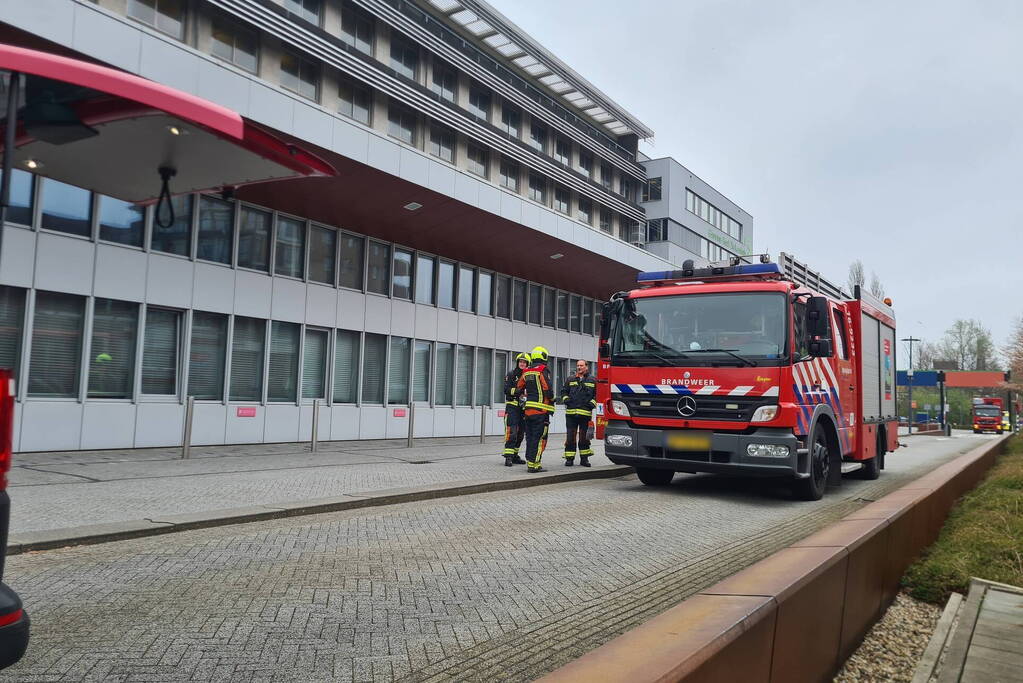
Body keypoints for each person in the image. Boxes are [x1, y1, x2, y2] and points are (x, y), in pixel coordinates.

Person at [517, 346, 554, 473]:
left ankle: (530, 462)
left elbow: (519, 387)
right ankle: (535, 465)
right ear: (544, 356)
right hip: (541, 412)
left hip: (528, 411)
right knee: (539, 438)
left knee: (530, 437)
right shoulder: (543, 370)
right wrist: (553, 398)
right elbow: (547, 388)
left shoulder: (526, 371)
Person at [560, 359, 597, 466]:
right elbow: (563, 391)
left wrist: (592, 403)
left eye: (581, 365)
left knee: (584, 438)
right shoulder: (570, 379)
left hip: (585, 414)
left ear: (586, 367)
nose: (579, 367)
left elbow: (597, 394)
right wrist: (566, 399)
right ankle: (569, 458)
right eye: (578, 365)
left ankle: (584, 459)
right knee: (570, 437)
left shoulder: (593, 380)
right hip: (571, 413)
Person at [502, 352, 531, 466]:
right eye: (520, 361)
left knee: (520, 434)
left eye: (524, 362)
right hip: (512, 407)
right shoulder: (511, 374)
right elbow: (506, 390)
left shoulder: (529, 375)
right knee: (512, 432)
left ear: (527, 364)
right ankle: (508, 456)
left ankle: (514, 455)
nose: (522, 363)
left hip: (524, 408)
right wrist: (518, 391)